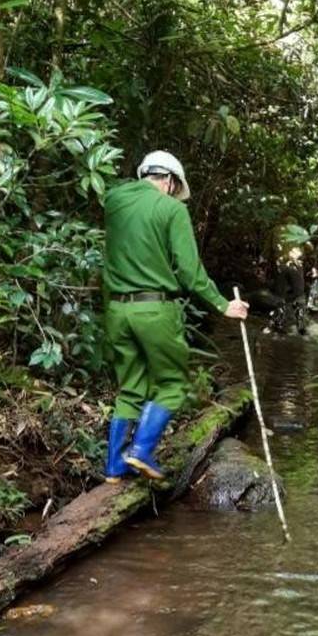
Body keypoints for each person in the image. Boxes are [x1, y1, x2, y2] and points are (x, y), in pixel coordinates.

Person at [101, 151, 248, 482]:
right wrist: (223, 304)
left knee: (130, 388)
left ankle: (113, 467)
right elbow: (189, 270)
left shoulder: (113, 200)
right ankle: (140, 450)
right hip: (155, 309)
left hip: (117, 311)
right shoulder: (172, 210)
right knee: (171, 383)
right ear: (169, 181)